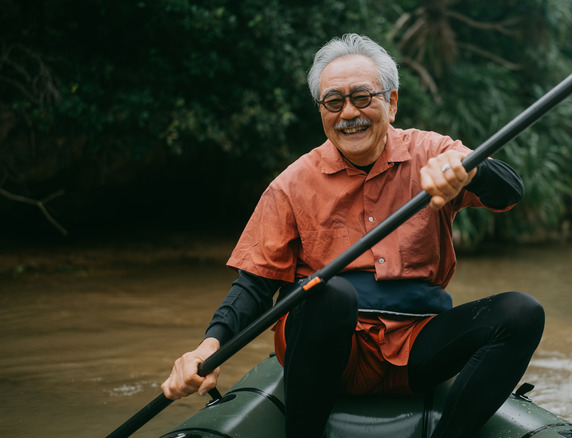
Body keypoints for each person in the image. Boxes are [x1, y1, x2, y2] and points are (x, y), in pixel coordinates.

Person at [162, 33, 544, 438]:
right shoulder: (292, 184)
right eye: (334, 101)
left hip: (417, 345)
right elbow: (255, 285)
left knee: (522, 312)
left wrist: (472, 170)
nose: (349, 113)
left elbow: (510, 191)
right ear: (321, 111)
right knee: (331, 292)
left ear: (391, 103)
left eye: (363, 97)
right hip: (329, 350)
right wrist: (209, 346)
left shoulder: (433, 153)